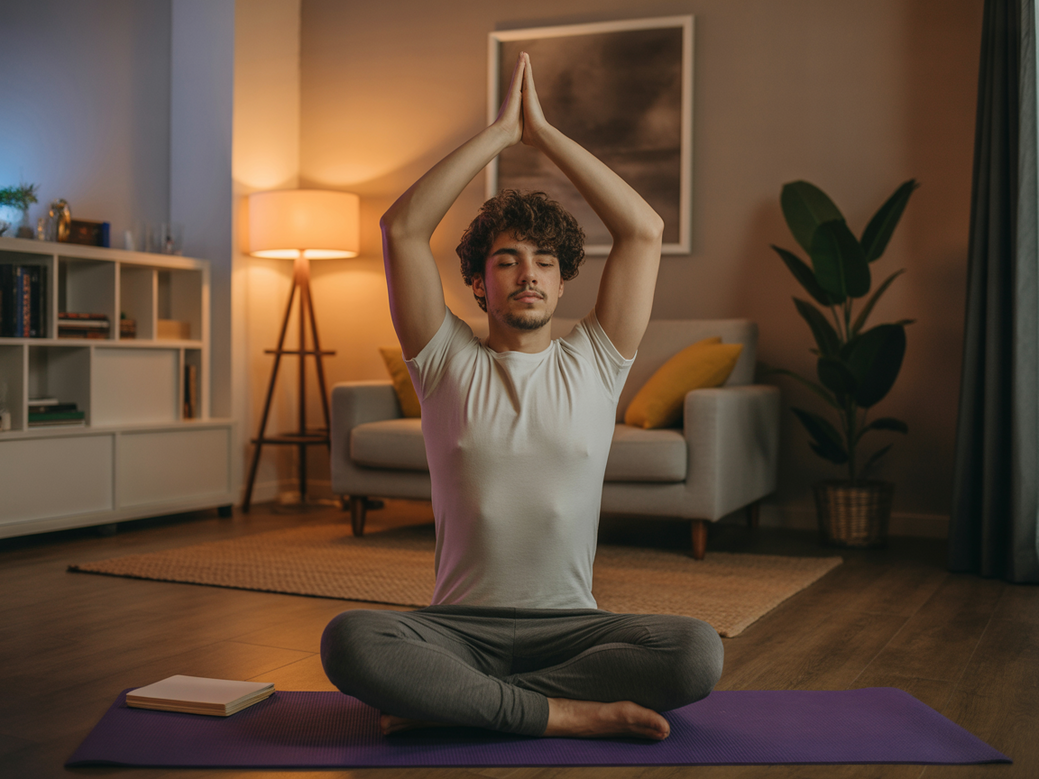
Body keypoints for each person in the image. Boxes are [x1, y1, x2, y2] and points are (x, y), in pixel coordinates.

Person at [321, 52, 723, 741]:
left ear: (564, 282)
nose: (526, 274)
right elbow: (400, 230)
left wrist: (545, 136)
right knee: (349, 638)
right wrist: (500, 134)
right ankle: (560, 715)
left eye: (543, 261)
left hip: (573, 629)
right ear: (479, 284)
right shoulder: (443, 359)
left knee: (695, 652)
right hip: (454, 628)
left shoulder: (596, 360)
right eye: (506, 260)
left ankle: (460, 703)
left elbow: (642, 230)